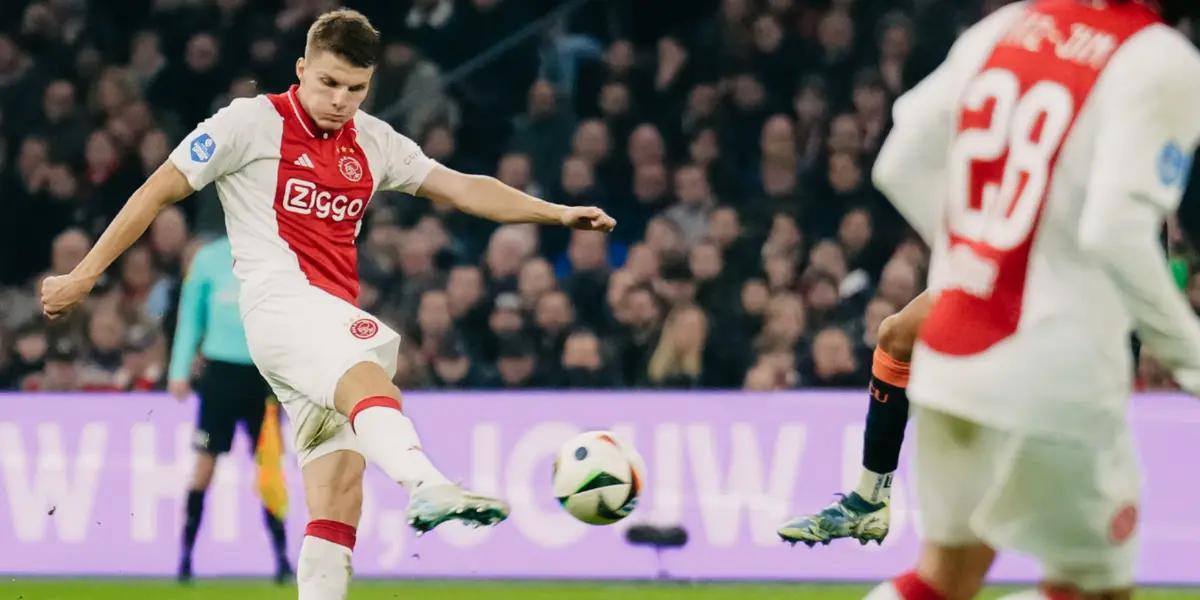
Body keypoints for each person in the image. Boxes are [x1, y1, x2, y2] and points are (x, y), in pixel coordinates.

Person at [40, 9, 616, 600]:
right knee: (369, 375)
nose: (341, 100)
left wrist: (556, 213)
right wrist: (85, 275)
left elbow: (463, 187)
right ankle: (426, 483)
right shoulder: (249, 123)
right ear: (301, 69)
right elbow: (157, 189)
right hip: (279, 307)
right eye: (329, 83)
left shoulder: (374, 141)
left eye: (355, 88)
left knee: (339, 492)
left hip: (318, 329)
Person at [808, 2, 1199, 600]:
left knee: (943, 578)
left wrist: (983, 262)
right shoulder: (1162, 59)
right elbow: (1115, 230)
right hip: (1054, 364)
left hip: (954, 355)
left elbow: (900, 160)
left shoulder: (1011, 23)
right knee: (1092, 590)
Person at [167, 235, 292, 584]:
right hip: (219, 376)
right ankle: (185, 558)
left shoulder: (277, 254)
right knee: (204, 467)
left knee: (268, 469)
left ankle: (282, 560)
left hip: (262, 378)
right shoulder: (208, 259)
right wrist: (178, 371)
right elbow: (190, 318)